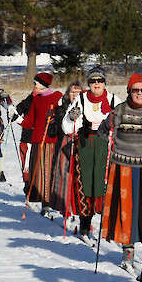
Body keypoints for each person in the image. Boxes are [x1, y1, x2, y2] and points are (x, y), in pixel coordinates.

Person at [98, 73, 142, 270]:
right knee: (127, 210)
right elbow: (103, 133)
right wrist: (107, 123)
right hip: (124, 166)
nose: (140, 93)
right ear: (129, 91)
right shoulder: (120, 110)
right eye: (135, 90)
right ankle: (128, 249)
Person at [63, 67, 121, 242]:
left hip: (106, 145)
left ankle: (108, 226)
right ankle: (85, 225)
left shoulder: (113, 99)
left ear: (104, 83)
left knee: (105, 183)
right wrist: (72, 118)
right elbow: (66, 126)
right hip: (86, 144)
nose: (97, 84)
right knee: (85, 184)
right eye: (93, 81)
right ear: (89, 83)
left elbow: (121, 122)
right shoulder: (80, 99)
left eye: (100, 81)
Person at [21, 72, 62, 215]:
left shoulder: (57, 97)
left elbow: (62, 115)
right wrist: (18, 119)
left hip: (51, 140)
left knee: (49, 171)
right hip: (38, 141)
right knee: (39, 173)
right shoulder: (36, 99)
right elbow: (30, 121)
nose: (34, 85)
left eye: (36, 83)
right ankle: (43, 201)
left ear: (43, 84)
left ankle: (49, 202)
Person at [49, 81, 82, 221]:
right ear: (68, 93)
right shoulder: (62, 107)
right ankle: (64, 207)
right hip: (65, 144)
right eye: (72, 92)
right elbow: (54, 131)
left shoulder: (85, 106)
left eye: (78, 92)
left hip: (80, 143)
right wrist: (50, 120)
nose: (75, 95)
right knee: (64, 174)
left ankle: (77, 208)